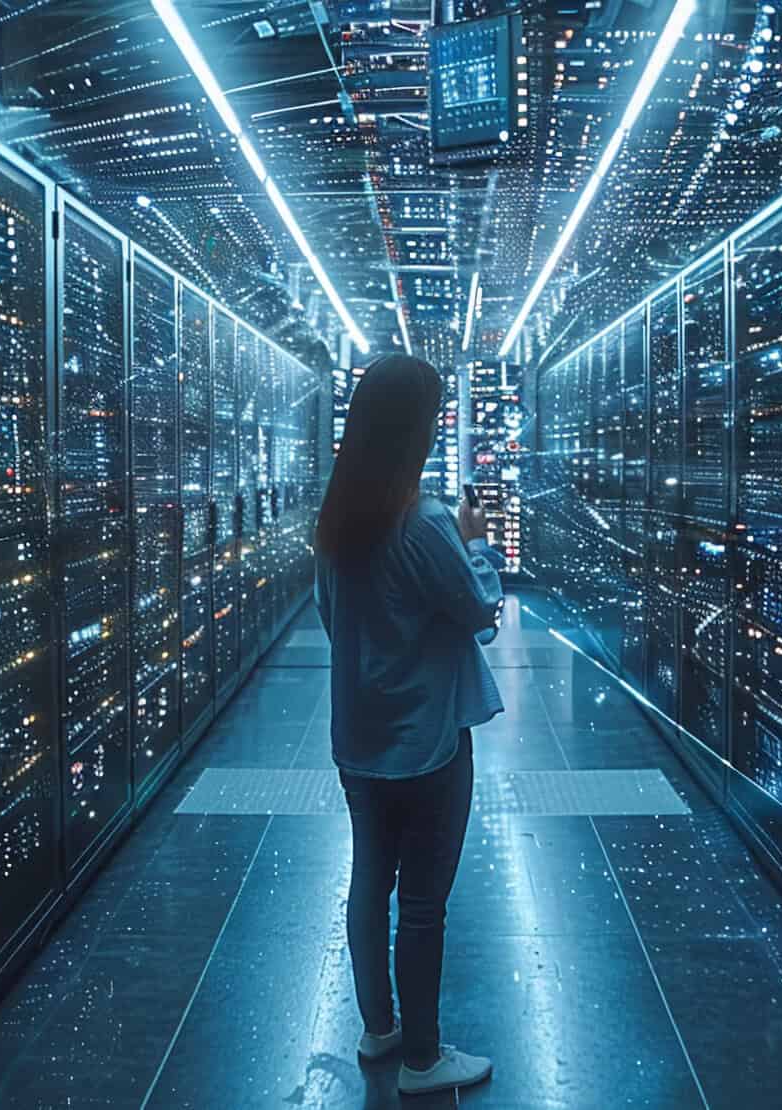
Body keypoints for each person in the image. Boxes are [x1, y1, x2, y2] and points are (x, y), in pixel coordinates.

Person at [313, 353, 505, 1097]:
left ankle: (380, 1029)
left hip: (359, 738)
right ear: (413, 431)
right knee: (422, 902)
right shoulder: (423, 522)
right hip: (426, 742)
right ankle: (423, 1060)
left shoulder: (337, 518)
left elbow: (335, 620)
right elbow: (478, 609)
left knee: (371, 881)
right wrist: (476, 539)